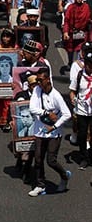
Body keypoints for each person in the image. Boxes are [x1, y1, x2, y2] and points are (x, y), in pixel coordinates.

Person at [28, 68, 72, 196]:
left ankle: (64, 176)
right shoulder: (37, 90)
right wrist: (46, 113)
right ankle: (40, 185)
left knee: (51, 160)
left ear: (48, 79)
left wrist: (55, 126)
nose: (38, 83)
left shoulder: (56, 96)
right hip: (40, 131)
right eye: (37, 80)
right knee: (38, 159)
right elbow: (32, 108)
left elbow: (67, 114)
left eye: (41, 80)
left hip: (54, 133)